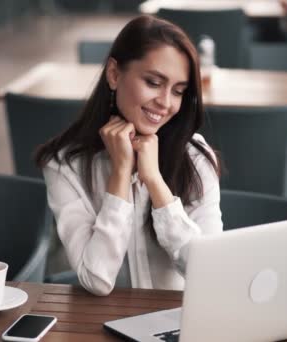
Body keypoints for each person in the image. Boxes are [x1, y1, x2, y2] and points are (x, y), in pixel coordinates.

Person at [35, 15, 222, 296]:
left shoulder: (195, 157)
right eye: (153, 82)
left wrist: (156, 183)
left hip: (181, 325)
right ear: (114, 74)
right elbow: (96, 279)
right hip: (100, 325)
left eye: (179, 91)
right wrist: (121, 174)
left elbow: (209, 271)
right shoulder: (65, 166)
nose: (166, 103)